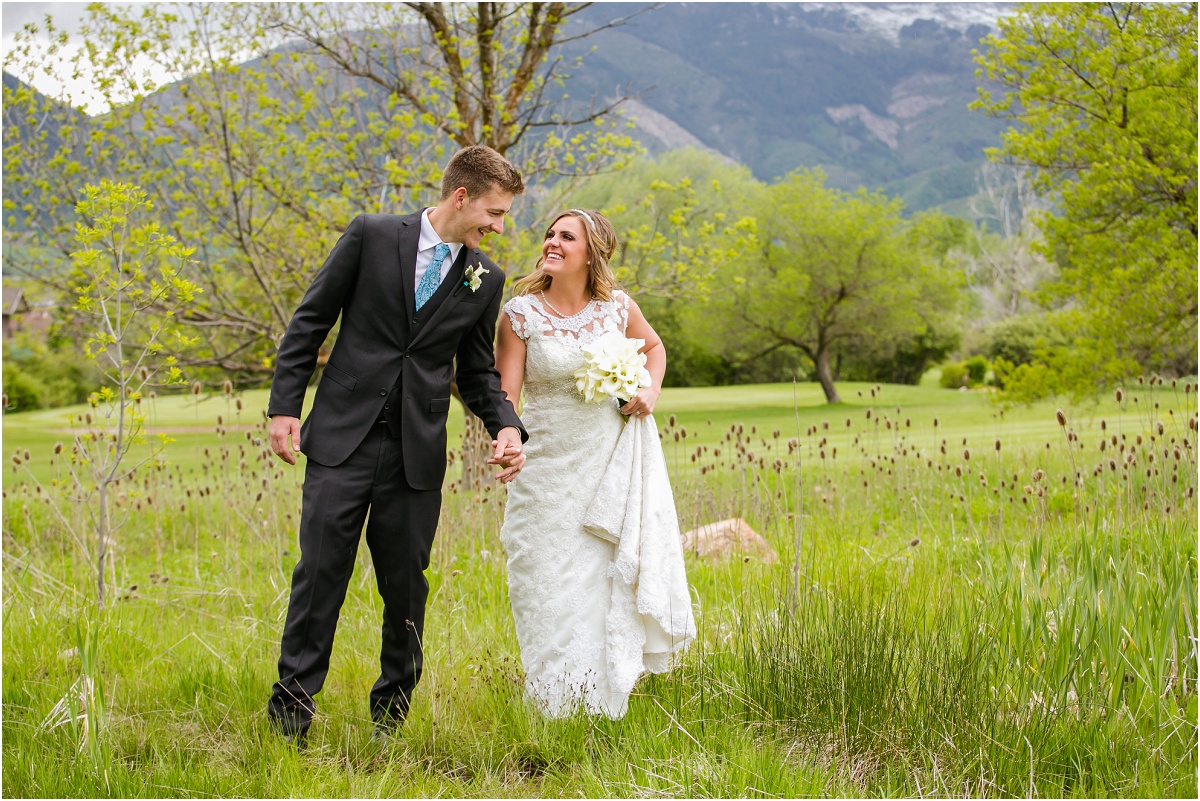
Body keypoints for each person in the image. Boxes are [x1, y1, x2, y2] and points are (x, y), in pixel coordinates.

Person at [265, 145, 529, 742]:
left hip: (415, 453)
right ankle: (290, 718)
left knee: (406, 584)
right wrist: (285, 408)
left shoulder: (485, 278)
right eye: (494, 212)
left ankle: (390, 716)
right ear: (460, 197)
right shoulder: (372, 235)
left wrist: (506, 424)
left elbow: (477, 371)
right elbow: (309, 322)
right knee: (320, 575)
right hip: (340, 440)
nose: (498, 225)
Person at [495, 208, 696, 719]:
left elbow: (653, 348)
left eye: (567, 236)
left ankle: (602, 704)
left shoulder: (616, 308)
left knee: (601, 587)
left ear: (592, 253)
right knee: (544, 585)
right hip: (544, 471)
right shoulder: (519, 314)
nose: (552, 242)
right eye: (549, 234)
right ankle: (551, 706)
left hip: (606, 468)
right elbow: (506, 395)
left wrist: (650, 389)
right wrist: (508, 438)